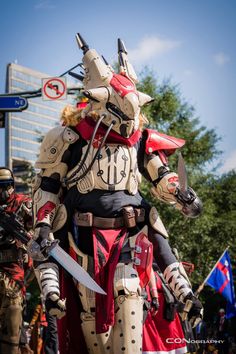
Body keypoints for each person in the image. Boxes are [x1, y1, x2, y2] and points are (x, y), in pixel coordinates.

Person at [30, 33, 203, 353]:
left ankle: (186, 296)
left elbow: (160, 174)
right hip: (83, 232)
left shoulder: (140, 137)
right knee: (55, 259)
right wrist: (41, 224)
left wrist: (182, 194)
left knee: (154, 255)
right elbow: (48, 185)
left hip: (132, 229)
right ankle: (51, 293)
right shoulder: (68, 137)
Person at [0, 167, 33, 354]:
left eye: (6, 186)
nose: (3, 191)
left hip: (13, 274)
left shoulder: (23, 204)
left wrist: (25, 238)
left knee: (12, 330)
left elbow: (38, 231)